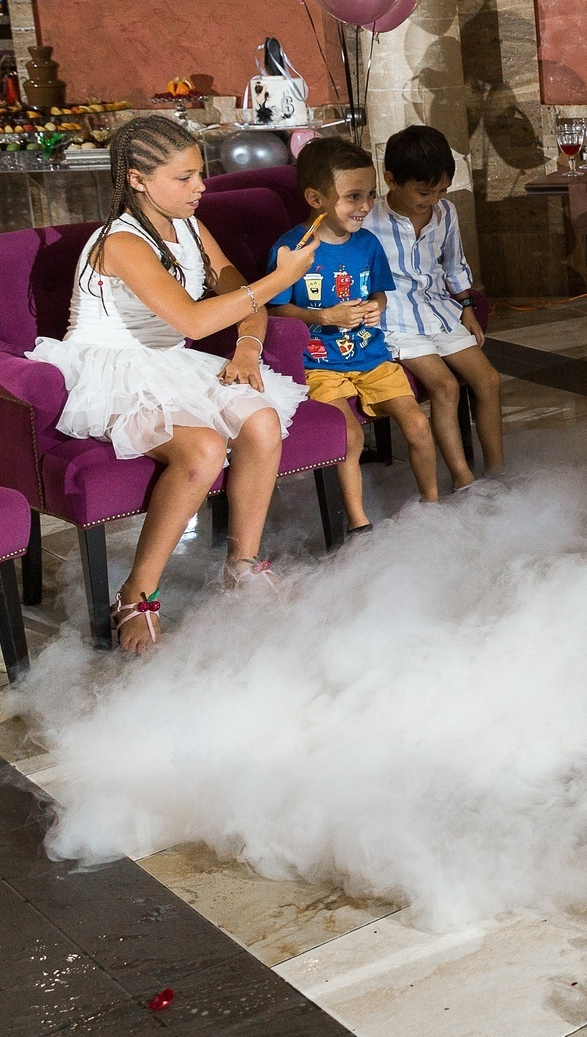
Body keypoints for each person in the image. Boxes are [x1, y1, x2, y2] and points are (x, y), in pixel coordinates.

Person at [26, 115, 319, 651]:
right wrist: (281, 279)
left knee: (261, 418)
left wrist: (250, 345)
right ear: (138, 179)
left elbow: (239, 294)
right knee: (203, 449)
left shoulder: (188, 225)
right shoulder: (120, 242)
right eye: (183, 178)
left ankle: (242, 566)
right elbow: (195, 320)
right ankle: (136, 595)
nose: (200, 188)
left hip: (169, 362)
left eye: (200, 174)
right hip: (112, 368)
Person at [271, 137, 441, 534]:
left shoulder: (367, 244)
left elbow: (379, 291)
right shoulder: (291, 248)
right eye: (352, 197)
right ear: (315, 197)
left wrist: (376, 305)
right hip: (318, 364)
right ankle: (359, 522)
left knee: (417, 424)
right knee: (348, 435)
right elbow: (275, 308)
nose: (365, 206)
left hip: (371, 356)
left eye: (369, 195)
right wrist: (323, 315)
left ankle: (433, 506)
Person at [367, 124, 504, 485]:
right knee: (445, 387)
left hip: (438, 310)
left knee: (489, 380)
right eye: (424, 192)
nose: (433, 199)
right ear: (392, 179)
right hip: (394, 321)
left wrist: (467, 307)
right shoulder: (368, 220)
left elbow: (454, 264)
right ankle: (463, 478)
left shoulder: (446, 212)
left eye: (442, 189)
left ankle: (499, 472)